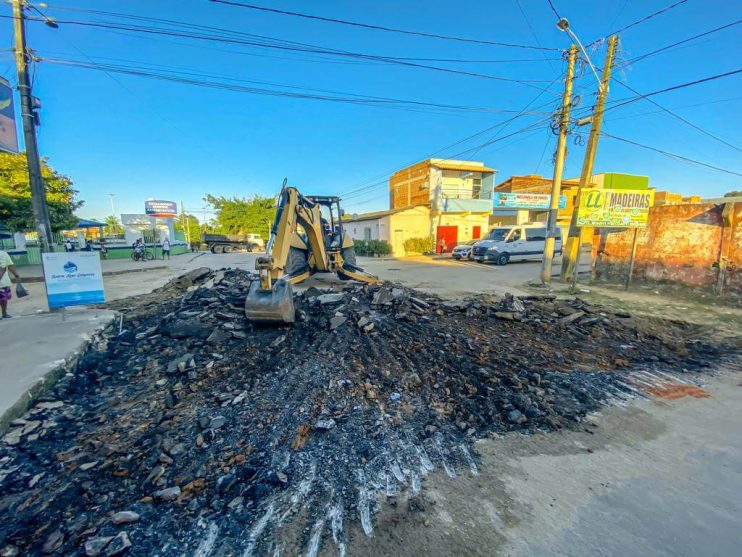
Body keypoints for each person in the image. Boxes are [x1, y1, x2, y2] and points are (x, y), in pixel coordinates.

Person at [0, 249, 21, 319]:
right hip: (3, 282)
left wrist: (16, 275)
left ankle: (4, 313)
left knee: (3, 298)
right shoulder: (3, 254)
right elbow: (10, 266)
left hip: (3, 281)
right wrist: (16, 275)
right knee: (3, 298)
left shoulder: (3, 254)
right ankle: (4, 313)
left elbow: (9, 265)